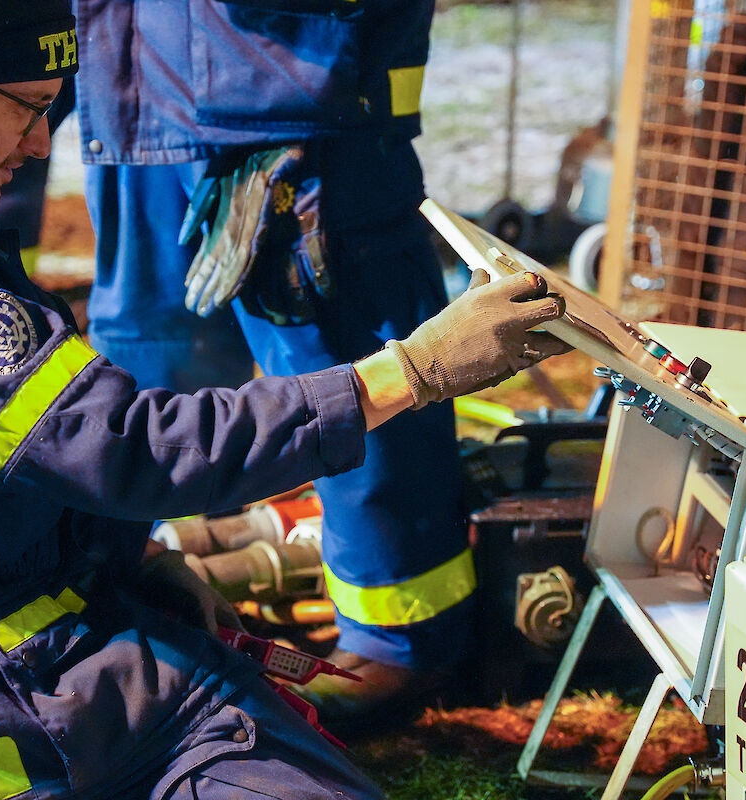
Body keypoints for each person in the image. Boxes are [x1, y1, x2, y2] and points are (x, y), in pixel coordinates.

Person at [0, 1, 569, 796]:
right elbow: (119, 447)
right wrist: (413, 370)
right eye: (30, 109)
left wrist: (133, 557)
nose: (41, 144)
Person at [74, 0, 477, 719]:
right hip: (134, 93)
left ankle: (399, 642)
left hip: (296, 95)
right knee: (147, 367)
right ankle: (152, 579)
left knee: (352, 372)